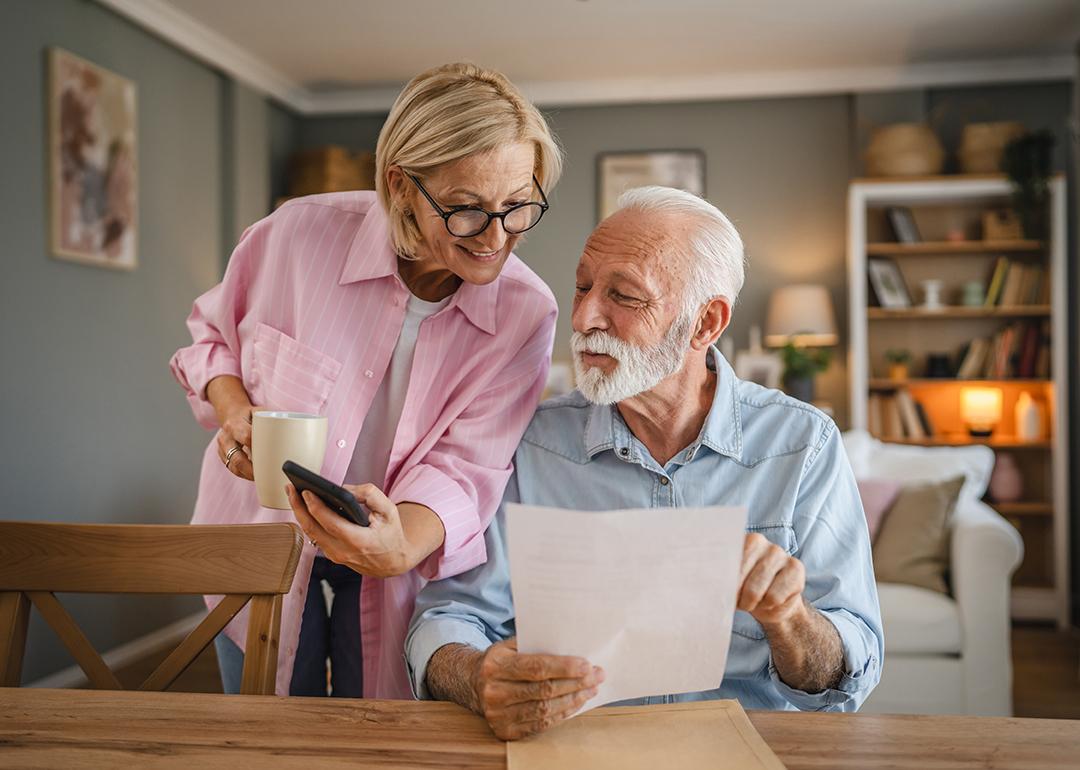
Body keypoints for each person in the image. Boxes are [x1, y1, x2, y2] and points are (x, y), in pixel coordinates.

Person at [405, 186, 883, 740]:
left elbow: (850, 671)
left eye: (624, 297)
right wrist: (476, 675)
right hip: (572, 750)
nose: (584, 317)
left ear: (705, 324)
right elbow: (442, 621)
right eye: (583, 286)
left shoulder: (803, 444)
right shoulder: (528, 443)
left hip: (748, 750)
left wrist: (789, 618)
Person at [170, 63, 562, 699]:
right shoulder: (295, 236)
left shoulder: (526, 313)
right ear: (400, 184)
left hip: (393, 554)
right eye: (466, 209)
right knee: (261, 740)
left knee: (374, 739)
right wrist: (235, 406)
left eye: (518, 206)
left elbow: (468, 468)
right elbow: (213, 339)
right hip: (256, 541)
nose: (496, 237)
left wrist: (398, 546)